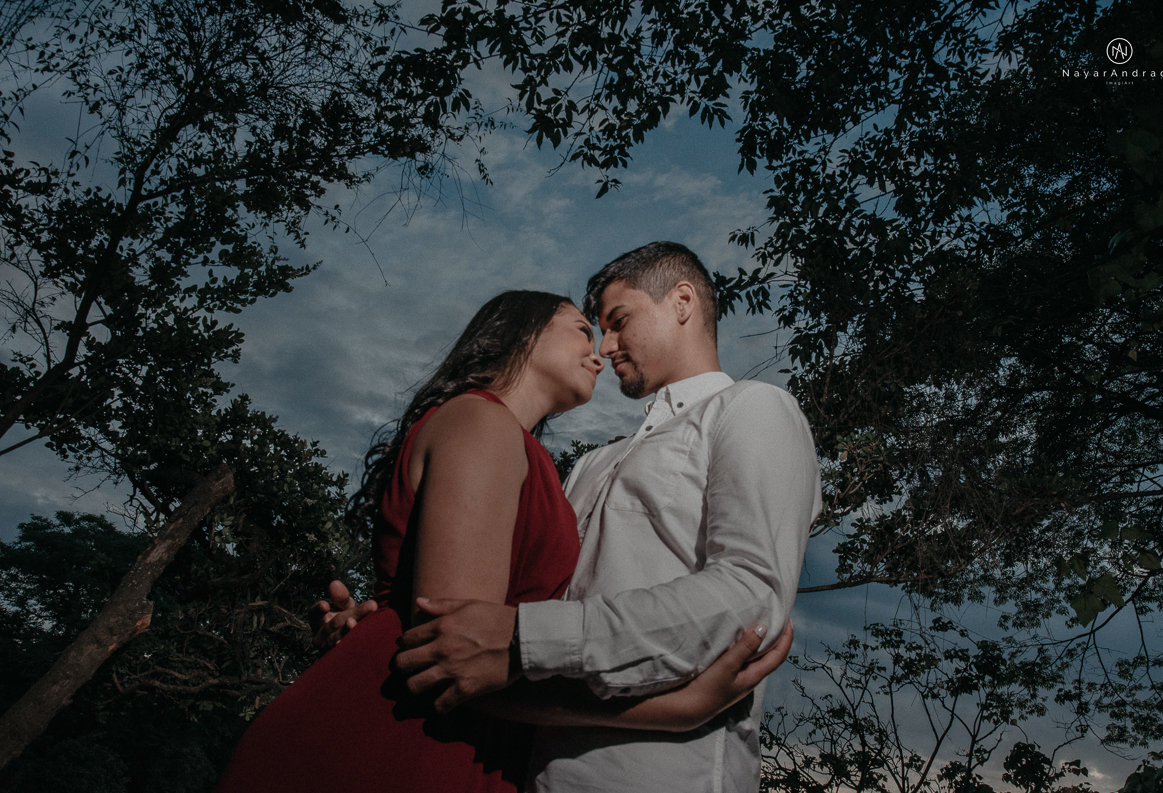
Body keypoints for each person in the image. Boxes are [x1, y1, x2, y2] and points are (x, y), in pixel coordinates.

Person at [218, 290, 788, 793]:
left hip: (472, 737)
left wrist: (376, 623)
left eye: (610, 327)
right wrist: (676, 709)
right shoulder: (483, 424)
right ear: (522, 332)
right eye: (584, 330)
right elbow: (457, 657)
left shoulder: (530, 454)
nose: (601, 350)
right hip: (407, 738)